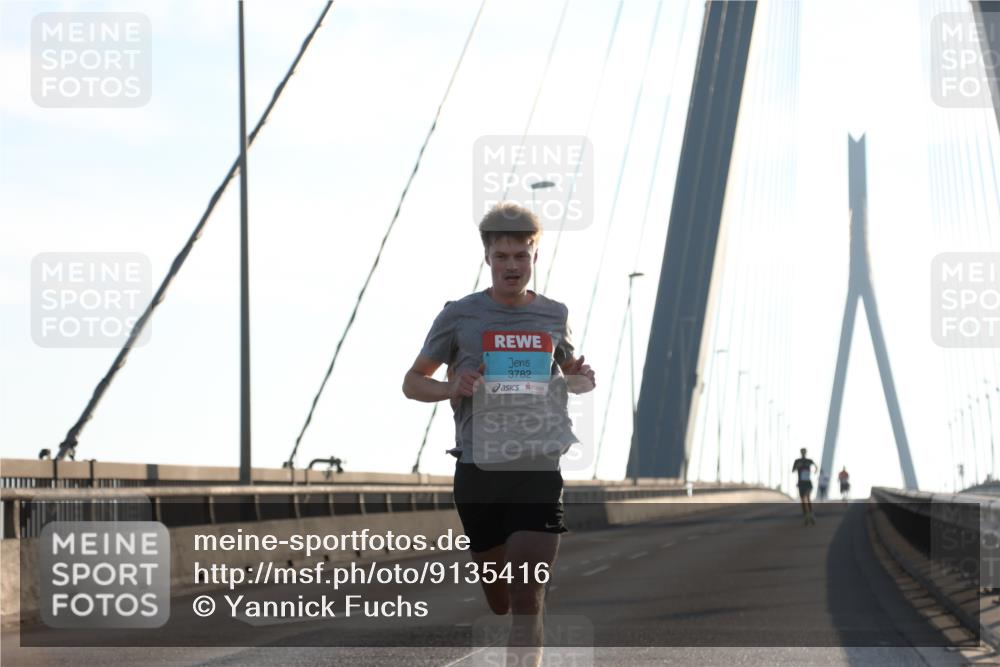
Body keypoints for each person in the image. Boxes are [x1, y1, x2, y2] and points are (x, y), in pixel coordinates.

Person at [402, 202, 595, 665]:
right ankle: (494, 585)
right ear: (487, 257)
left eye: (521, 256)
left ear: (534, 256)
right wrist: (452, 385)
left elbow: (570, 371)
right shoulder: (460, 316)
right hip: (479, 468)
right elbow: (412, 382)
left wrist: (581, 376)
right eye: (502, 256)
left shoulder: (554, 314)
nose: (512, 266)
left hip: (537, 465)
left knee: (528, 600)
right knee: (501, 596)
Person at [791, 448, 818, 525]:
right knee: (803, 500)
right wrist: (797, 467)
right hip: (801, 483)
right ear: (801, 453)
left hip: (808, 483)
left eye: (804, 452)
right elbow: (793, 470)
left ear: (806, 452)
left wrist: (815, 470)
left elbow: (816, 466)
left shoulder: (809, 460)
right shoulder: (797, 461)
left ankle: (811, 514)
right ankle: (806, 515)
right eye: (802, 452)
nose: (803, 453)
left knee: (808, 498)